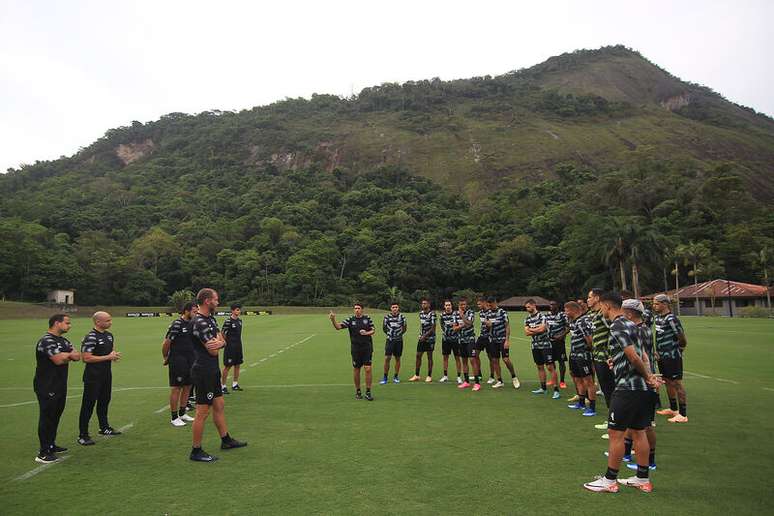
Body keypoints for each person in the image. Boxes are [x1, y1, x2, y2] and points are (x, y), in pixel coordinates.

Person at [583, 292, 662, 493]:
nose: (600, 310)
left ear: (606, 306)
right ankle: (642, 479)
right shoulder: (633, 325)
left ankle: (609, 481)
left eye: (600, 307)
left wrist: (646, 376)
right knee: (638, 431)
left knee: (615, 434)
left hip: (628, 388)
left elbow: (634, 357)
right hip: (642, 390)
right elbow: (642, 354)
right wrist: (650, 377)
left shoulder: (618, 324)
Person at [189, 288, 247, 462]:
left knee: (219, 405)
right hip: (203, 371)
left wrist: (219, 343)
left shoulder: (211, 319)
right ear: (207, 301)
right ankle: (196, 450)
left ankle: (226, 440)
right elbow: (213, 350)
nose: (218, 302)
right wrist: (220, 343)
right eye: (216, 299)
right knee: (202, 412)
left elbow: (220, 340)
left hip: (212, 370)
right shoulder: (199, 322)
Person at [33, 314, 80, 463]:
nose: (69, 325)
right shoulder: (46, 341)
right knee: (47, 417)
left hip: (60, 384)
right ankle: (43, 452)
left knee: (55, 415)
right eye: (67, 323)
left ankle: (51, 444)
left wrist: (67, 355)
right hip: (47, 384)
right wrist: (68, 355)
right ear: (56, 323)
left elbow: (78, 356)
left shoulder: (64, 340)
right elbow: (58, 360)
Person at [622, 299, 658, 471]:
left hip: (645, 380)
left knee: (646, 423)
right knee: (633, 420)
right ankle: (627, 452)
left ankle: (650, 460)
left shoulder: (640, 330)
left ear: (629, 313)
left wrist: (649, 377)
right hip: (638, 379)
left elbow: (639, 357)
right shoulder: (638, 328)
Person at [78, 311, 121, 446]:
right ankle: (83, 435)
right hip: (93, 376)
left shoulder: (109, 336)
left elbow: (110, 352)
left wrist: (113, 355)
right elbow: (86, 358)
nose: (110, 322)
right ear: (98, 322)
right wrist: (108, 357)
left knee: (104, 401)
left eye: (110, 320)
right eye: (108, 320)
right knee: (88, 405)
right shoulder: (90, 337)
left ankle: (104, 427)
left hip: (106, 375)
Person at [652, 294, 688, 423]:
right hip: (661, 356)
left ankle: (683, 414)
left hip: (672, 356)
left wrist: (679, 349)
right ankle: (673, 409)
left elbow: (681, 336)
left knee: (677, 383)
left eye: (656, 303)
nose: (654, 306)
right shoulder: (658, 318)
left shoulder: (671, 318)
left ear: (665, 304)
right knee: (667, 381)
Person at [162, 302, 198, 427]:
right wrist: (166, 357)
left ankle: (183, 413)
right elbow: (166, 342)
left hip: (191, 359)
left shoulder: (193, 324)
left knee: (188, 386)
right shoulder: (177, 324)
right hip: (178, 360)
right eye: (194, 311)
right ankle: (174, 417)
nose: (196, 313)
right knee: (176, 388)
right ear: (186, 311)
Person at [330, 303, 376, 400]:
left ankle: (368, 391)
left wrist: (366, 333)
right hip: (356, 348)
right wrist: (333, 319)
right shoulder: (350, 320)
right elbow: (338, 327)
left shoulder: (367, 318)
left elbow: (373, 330)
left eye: (358, 308)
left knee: (368, 369)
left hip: (367, 347)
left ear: (362, 309)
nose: (357, 310)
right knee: (356, 369)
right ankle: (358, 391)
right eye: (355, 308)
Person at [588, 288, 615, 436]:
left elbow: (614, 331)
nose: (588, 300)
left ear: (597, 298)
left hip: (604, 358)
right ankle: (611, 420)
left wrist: (608, 353)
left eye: (590, 297)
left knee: (611, 390)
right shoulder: (596, 314)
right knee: (606, 391)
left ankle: (614, 423)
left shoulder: (604, 316)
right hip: (597, 356)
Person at [564, 301, 596, 416]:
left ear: (573, 310)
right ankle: (581, 402)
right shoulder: (573, 321)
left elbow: (590, 339)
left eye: (566, 310)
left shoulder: (583, 321)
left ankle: (592, 407)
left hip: (583, 355)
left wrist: (587, 351)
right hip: (574, 354)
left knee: (588, 381)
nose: (565, 313)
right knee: (577, 378)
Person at [524, 299, 560, 399]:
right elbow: (526, 333)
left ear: (534, 305)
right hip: (535, 346)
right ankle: (543, 388)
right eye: (526, 307)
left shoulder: (543, 316)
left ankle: (556, 390)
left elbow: (543, 329)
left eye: (528, 307)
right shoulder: (527, 319)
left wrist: (532, 330)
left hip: (546, 345)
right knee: (539, 366)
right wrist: (537, 330)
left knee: (550, 367)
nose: (527, 309)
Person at [485, 296, 520, 389]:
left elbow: (507, 326)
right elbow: (487, 326)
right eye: (488, 305)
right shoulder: (488, 313)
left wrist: (507, 340)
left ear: (495, 303)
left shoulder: (502, 312)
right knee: (495, 360)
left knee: (506, 359)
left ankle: (514, 377)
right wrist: (488, 325)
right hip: (493, 340)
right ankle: (500, 381)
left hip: (502, 339)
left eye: (491, 304)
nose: (490, 307)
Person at [454, 298, 479, 390]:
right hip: (461, 340)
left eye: (464, 304)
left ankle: (477, 383)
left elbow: (469, 323)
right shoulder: (455, 314)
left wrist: (462, 316)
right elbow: (454, 328)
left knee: (472, 360)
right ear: (458, 305)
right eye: (461, 305)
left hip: (470, 340)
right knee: (464, 361)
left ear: (467, 305)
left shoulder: (470, 312)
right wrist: (462, 325)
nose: (463, 306)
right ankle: (466, 381)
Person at [409, 298, 436, 382]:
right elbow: (422, 325)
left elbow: (433, 327)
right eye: (422, 303)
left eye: (425, 303)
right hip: (422, 337)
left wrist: (425, 336)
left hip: (430, 338)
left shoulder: (432, 314)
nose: (423, 305)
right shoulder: (420, 314)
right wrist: (421, 335)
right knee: (418, 355)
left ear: (429, 305)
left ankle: (429, 375)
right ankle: (417, 375)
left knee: (429, 356)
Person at [381, 302, 407, 384]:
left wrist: (399, 334)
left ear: (398, 308)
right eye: (393, 307)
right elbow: (384, 328)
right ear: (391, 308)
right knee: (387, 358)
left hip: (399, 341)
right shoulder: (387, 317)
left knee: (398, 358)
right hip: (390, 340)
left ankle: (396, 376)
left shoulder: (402, 317)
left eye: (396, 307)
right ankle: (385, 377)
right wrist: (390, 335)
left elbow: (404, 328)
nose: (395, 309)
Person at [221, 303, 244, 394]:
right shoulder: (228, 321)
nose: (239, 311)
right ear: (232, 311)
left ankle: (235, 384)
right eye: (237, 309)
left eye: (239, 310)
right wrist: (225, 342)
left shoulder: (240, 321)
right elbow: (223, 333)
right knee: (228, 366)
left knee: (237, 365)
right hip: (230, 347)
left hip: (238, 346)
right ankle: (223, 386)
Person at [546, 300, 569, 389]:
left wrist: (561, 335)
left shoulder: (562, 315)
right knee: (551, 362)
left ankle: (562, 381)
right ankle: (553, 379)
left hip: (559, 342)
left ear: (557, 306)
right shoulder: (547, 315)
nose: (551, 306)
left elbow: (568, 327)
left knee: (561, 361)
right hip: (549, 342)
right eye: (550, 304)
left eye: (553, 304)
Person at [439, 300, 462, 384]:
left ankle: (459, 376)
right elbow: (441, 325)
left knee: (457, 357)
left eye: (449, 305)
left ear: (451, 306)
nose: (448, 306)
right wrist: (446, 332)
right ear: (444, 307)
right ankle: (445, 376)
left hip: (455, 339)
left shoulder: (456, 314)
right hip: (445, 339)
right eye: (446, 305)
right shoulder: (442, 315)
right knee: (445, 357)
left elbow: (459, 325)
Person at [476, 297, 495, 385]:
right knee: (475, 354)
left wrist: (490, 335)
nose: (478, 306)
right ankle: (479, 374)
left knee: (490, 357)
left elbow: (491, 325)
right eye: (477, 304)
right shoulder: (480, 313)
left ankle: (492, 376)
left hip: (489, 338)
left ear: (484, 303)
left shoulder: (491, 312)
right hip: (482, 336)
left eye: (479, 304)